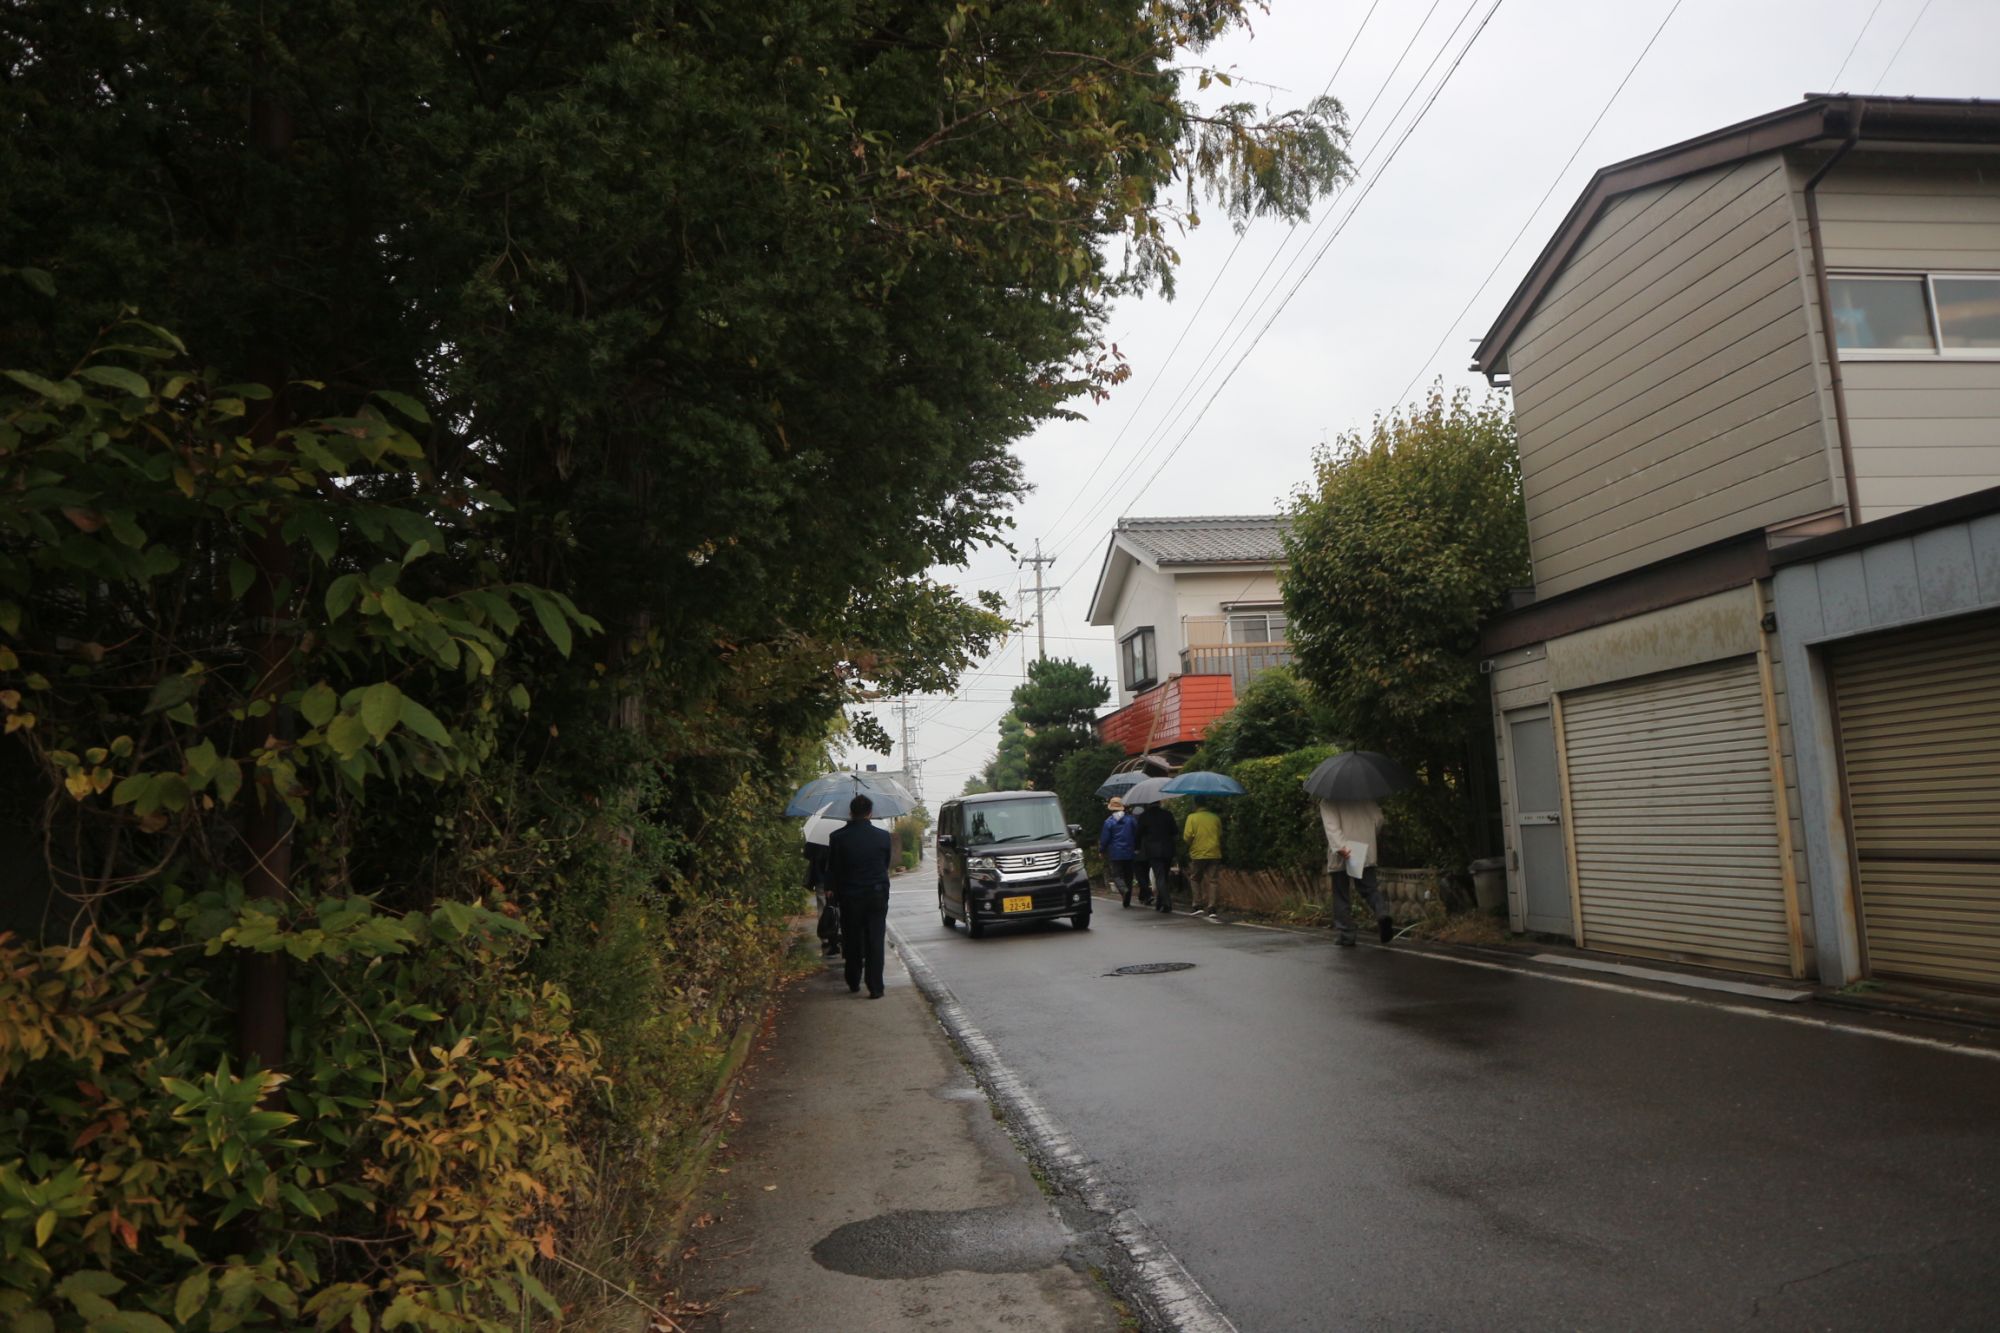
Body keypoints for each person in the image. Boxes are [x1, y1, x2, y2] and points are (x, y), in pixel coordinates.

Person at [824, 794, 895, 997]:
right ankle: (876, 986)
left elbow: (833, 868)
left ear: (850, 812)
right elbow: (885, 863)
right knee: (875, 940)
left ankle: (853, 980)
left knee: (852, 938)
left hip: (850, 896)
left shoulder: (838, 837)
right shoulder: (883, 836)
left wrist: (831, 888)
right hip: (876, 894)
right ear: (870, 813)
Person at [1319, 796, 1393, 946]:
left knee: (1341, 893)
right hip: (1364, 849)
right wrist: (1369, 836)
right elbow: (1379, 819)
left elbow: (1331, 826)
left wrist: (1341, 847)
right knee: (1370, 889)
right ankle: (1382, 912)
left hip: (1343, 853)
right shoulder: (1364, 797)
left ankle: (1347, 933)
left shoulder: (1328, 800)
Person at [1135, 800, 1179, 915]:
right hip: (1168, 849)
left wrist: (1137, 848)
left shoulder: (1145, 816)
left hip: (1153, 850)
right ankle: (1160, 902)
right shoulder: (1167, 814)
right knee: (1164, 876)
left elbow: (1138, 833)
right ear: (1159, 802)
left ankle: (1166, 903)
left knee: (1159, 876)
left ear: (1149, 803)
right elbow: (1175, 832)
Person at [1183, 799, 1224, 918]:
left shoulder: (1192, 817)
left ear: (1195, 804)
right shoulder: (1215, 817)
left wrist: (1192, 843)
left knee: (1195, 878)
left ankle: (1198, 905)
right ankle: (1212, 908)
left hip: (1198, 852)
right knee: (1213, 880)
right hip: (1214, 852)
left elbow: (1187, 836)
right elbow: (1220, 834)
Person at [1099, 797, 1140, 908]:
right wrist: (1137, 847)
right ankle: (1127, 901)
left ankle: (1123, 890)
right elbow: (1137, 834)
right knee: (1128, 876)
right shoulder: (1131, 820)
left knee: (1117, 875)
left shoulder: (1108, 822)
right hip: (1129, 852)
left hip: (1115, 853)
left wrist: (1101, 850)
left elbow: (1104, 839)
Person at [805, 838, 840, 957]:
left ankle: (825, 936)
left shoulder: (815, 837)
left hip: (819, 875)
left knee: (822, 906)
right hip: (836, 877)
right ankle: (837, 932)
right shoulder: (837, 836)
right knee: (837, 906)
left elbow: (807, 854)